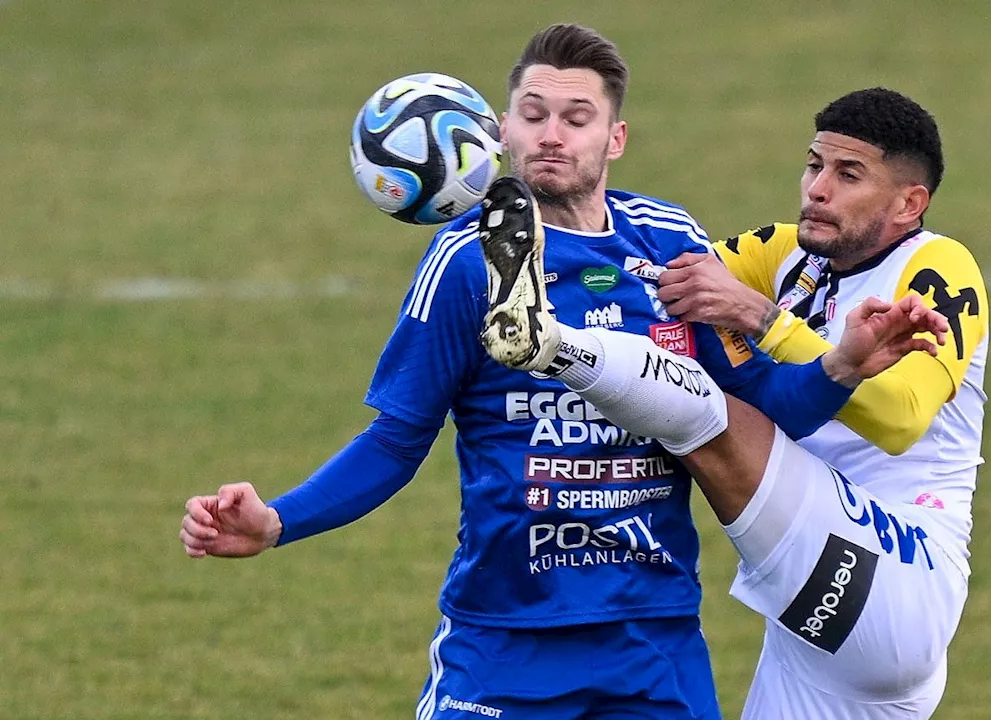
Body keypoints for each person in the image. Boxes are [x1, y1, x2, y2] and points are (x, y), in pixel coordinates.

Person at [177, 26, 930, 720]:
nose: (550, 134)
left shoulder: (671, 244)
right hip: (505, 638)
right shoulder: (463, 262)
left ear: (616, 138)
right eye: (532, 114)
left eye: (576, 118)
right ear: (501, 132)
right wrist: (278, 521)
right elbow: (397, 440)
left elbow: (761, 411)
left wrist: (839, 366)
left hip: (651, 640)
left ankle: (547, 342)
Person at [479, 88, 988, 719]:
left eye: (847, 174)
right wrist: (521, 237)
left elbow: (903, 415)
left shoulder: (939, 265)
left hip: (898, 579)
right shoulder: (786, 253)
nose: (817, 188)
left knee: (707, 411)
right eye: (814, 165)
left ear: (910, 203)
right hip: (809, 627)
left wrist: (766, 320)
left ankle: (551, 347)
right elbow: (648, 273)